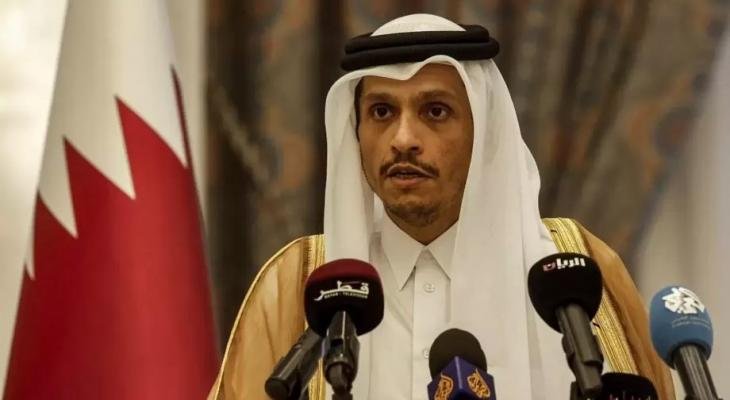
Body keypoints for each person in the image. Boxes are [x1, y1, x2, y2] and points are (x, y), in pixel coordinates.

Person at [207, 14, 674, 400]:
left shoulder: (574, 277)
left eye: (435, 111)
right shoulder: (300, 286)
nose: (404, 139)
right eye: (382, 112)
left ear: (484, 132)